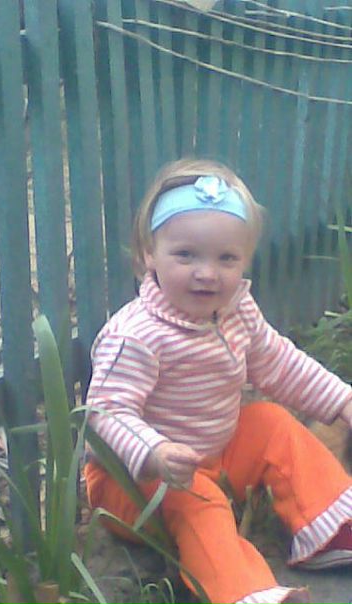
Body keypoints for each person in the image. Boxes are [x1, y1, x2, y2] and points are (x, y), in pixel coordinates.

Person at [84, 158, 352, 604]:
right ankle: (245, 592)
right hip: (135, 482)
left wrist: (343, 400)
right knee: (199, 500)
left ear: (245, 259)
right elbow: (105, 412)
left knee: (271, 421)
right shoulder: (135, 335)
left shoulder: (235, 310)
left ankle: (330, 526)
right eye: (186, 255)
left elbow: (279, 363)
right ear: (149, 254)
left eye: (226, 258)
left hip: (214, 452)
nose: (207, 273)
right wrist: (154, 451)